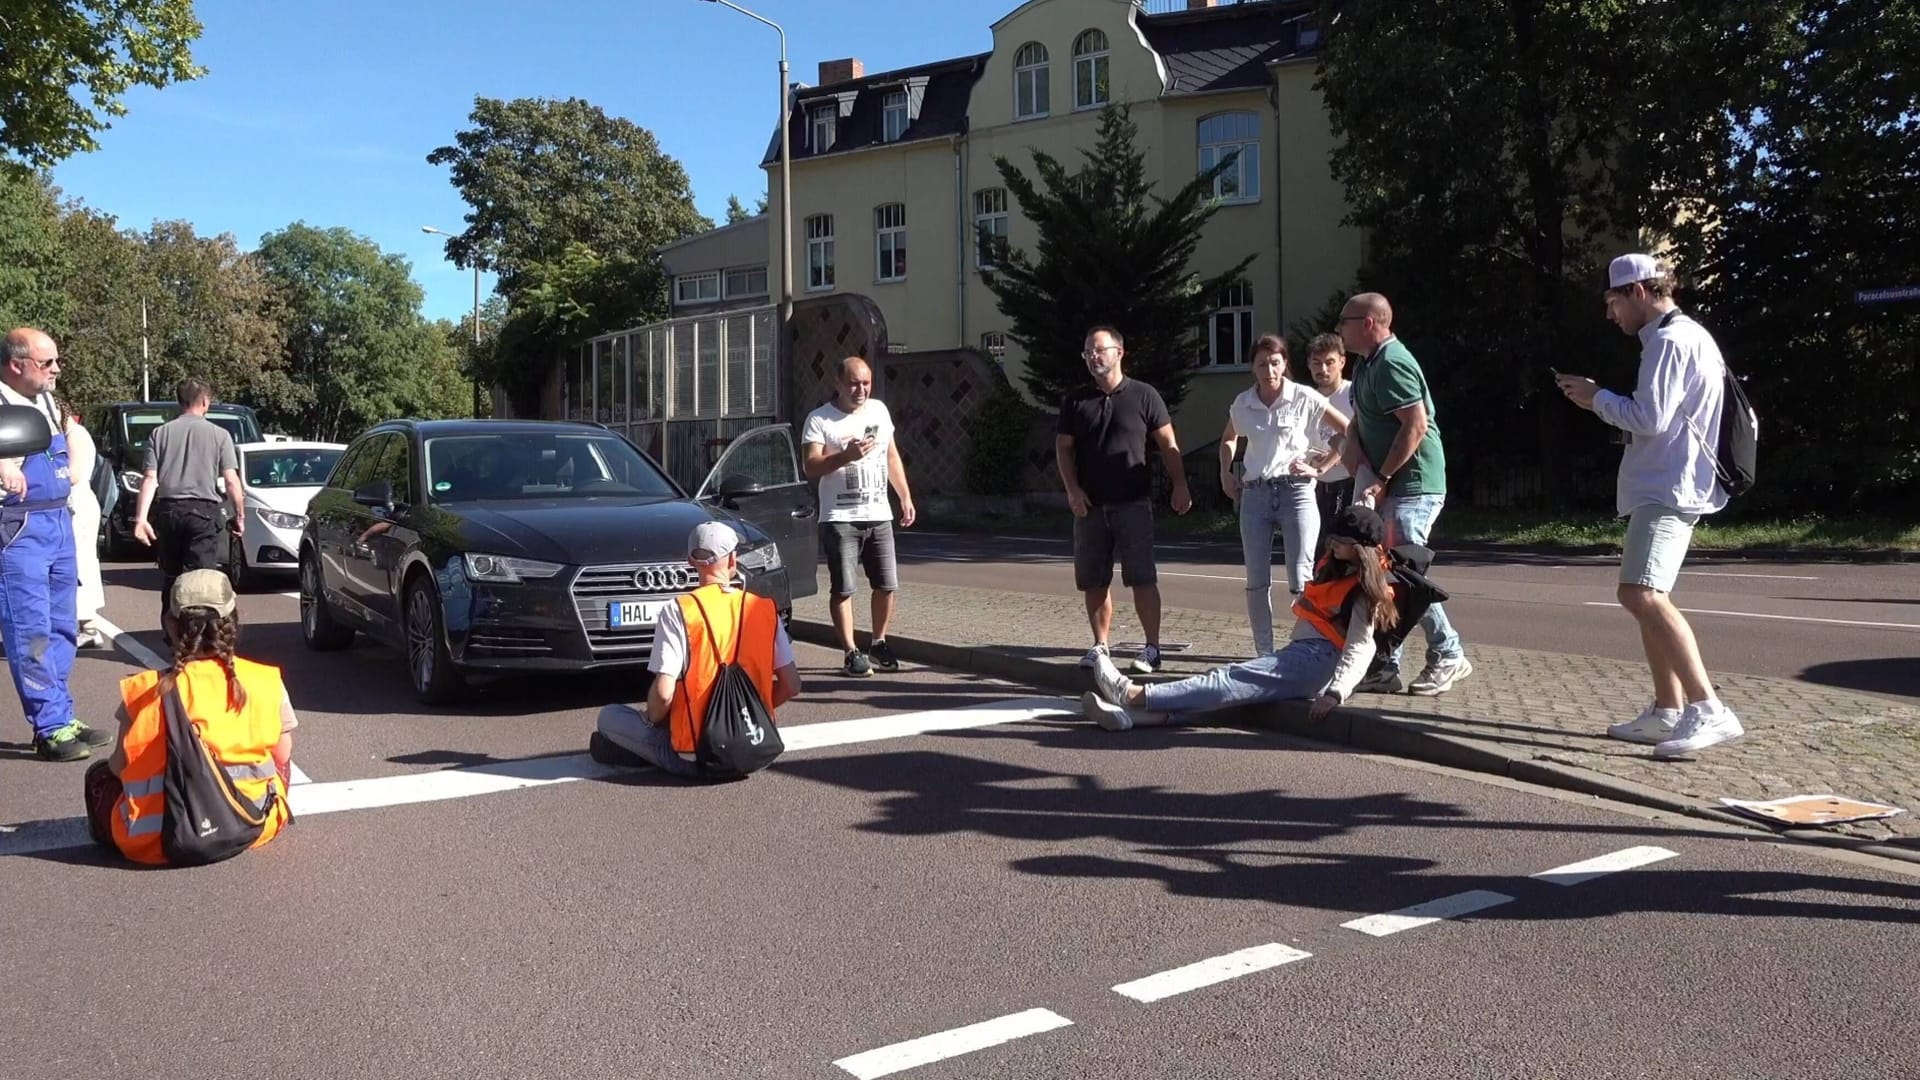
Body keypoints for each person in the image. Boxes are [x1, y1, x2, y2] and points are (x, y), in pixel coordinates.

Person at [1555, 254, 1742, 756]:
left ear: (1638, 292)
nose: (1610, 315)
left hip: (1668, 485)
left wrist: (1596, 398)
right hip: (1671, 482)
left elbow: (1650, 418)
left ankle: (1708, 709)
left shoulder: (1667, 340)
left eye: (1613, 302)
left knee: (1641, 595)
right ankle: (1667, 711)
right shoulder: (1688, 335)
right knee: (1647, 594)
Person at [1080, 505, 1398, 730]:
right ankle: (1134, 718)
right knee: (1236, 700)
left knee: (1230, 679)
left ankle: (1134, 694)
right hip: (1305, 656)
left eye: (1339, 542)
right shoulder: (1340, 568)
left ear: (1359, 548)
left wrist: (1334, 694)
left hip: (1316, 659)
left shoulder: (1364, 591)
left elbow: (1361, 647)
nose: (1331, 545)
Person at [84, 569, 294, 864]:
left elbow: (120, 768)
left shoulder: (144, 690)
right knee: (278, 764)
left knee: (99, 774)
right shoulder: (265, 680)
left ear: (171, 625)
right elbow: (283, 755)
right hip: (252, 824)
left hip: (152, 842)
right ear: (232, 621)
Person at [1337, 293, 1472, 696]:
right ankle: (1385, 665)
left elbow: (1414, 425)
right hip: (1388, 484)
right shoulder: (1366, 365)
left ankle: (1448, 654)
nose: (1337, 328)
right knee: (1382, 573)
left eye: (1344, 320)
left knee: (1402, 574)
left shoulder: (1393, 362)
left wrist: (1380, 475)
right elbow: (1358, 425)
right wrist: (1359, 465)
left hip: (1414, 485)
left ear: (1368, 323)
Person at [590, 522, 803, 777]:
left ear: (691, 561)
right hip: (756, 749)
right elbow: (792, 685)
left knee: (609, 717)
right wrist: (747, 714)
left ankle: (630, 751)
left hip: (696, 756)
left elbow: (664, 694)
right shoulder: (764, 609)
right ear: (733, 560)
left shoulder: (680, 610)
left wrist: (650, 718)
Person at [1057, 326, 1192, 674]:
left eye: (1099, 350)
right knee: (1093, 580)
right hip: (1090, 507)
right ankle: (1100, 647)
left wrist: (1180, 485)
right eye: (1088, 352)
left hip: (1133, 502)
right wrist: (1072, 489)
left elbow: (1167, 443)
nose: (1093, 357)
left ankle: (1152, 649)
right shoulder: (1076, 400)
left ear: (1119, 352)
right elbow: (1063, 448)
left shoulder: (1144, 395)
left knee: (1142, 577)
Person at [0, 328, 102, 761]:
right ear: (15, 364)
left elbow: (73, 446)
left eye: (57, 361)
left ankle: (62, 713)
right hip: (19, 527)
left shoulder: (44, 399)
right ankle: (50, 726)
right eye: (47, 363)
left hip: (58, 520)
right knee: (31, 632)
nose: (56, 370)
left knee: (64, 626)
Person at [1218, 334, 1348, 654]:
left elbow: (1347, 431)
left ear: (1285, 364)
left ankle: (1305, 647)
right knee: (1256, 580)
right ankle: (1265, 653)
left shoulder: (1303, 396)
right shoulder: (1243, 403)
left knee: (1302, 576)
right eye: (1262, 364)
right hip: (1256, 494)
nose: (1269, 370)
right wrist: (1225, 471)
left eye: (1275, 363)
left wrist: (1322, 468)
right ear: (1253, 368)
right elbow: (1229, 438)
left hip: (1296, 492)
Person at [801, 357, 916, 678]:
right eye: (853, 383)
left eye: (866, 383)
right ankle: (851, 651)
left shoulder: (879, 411)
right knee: (844, 588)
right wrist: (844, 457)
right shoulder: (820, 419)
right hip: (840, 517)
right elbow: (810, 466)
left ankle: (878, 641)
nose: (861, 389)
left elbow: (890, 455)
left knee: (887, 584)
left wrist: (904, 496)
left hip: (878, 512)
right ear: (837, 383)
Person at [131, 377, 244, 627]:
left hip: (168, 511)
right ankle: (198, 635)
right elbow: (232, 480)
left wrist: (141, 519)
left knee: (172, 577)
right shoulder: (220, 435)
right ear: (206, 401)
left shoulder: (159, 434)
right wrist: (240, 515)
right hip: (203, 513)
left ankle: (172, 636)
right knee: (199, 580)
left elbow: (150, 479)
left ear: (179, 402)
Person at [50, 384, 106, 648]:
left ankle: (89, 624)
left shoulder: (75, 435)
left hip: (78, 505)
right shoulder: (68, 433)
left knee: (81, 562)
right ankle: (81, 621)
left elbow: (74, 474)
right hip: (72, 504)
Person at [1303, 333, 1356, 552]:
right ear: (1308, 365)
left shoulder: (1353, 393)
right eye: (1316, 363)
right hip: (1315, 486)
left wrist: (1329, 461)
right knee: (1318, 550)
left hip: (1348, 482)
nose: (1323, 369)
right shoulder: (1307, 399)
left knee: (1343, 545)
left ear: (1342, 362)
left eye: (1329, 362)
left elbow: (1353, 435)